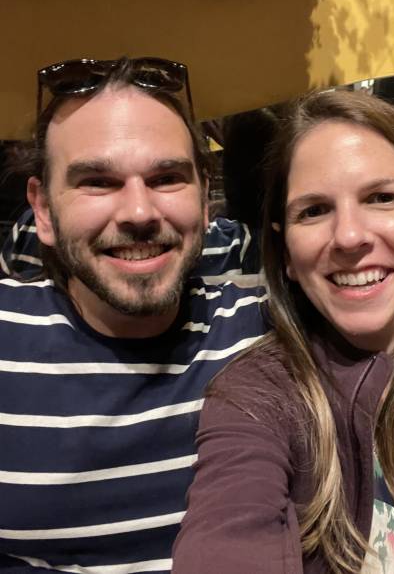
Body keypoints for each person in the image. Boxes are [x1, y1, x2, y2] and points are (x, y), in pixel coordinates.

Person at [173, 89, 394, 573]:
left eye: (382, 197)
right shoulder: (258, 396)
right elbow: (228, 527)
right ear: (286, 254)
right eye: (313, 210)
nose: (349, 236)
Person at [0, 56, 266, 573]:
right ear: (44, 211)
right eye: (97, 182)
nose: (139, 212)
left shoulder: (265, 334)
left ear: (205, 199)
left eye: (166, 177)